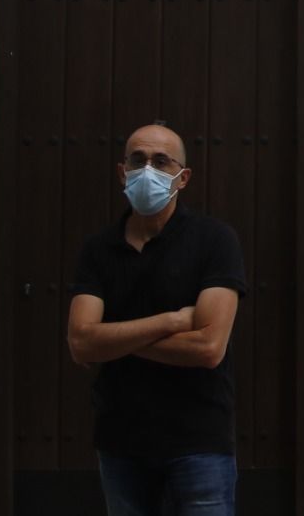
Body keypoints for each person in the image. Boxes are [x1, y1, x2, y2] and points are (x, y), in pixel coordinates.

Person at [66, 122, 247, 516]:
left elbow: (208, 347)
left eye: (161, 161)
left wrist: (115, 340)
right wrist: (171, 322)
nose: (148, 169)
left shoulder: (215, 241)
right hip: (121, 442)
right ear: (121, 171)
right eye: (138, 159)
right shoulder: (99, 250)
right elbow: (81, 341)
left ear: (182, 178)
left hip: (199, 441)